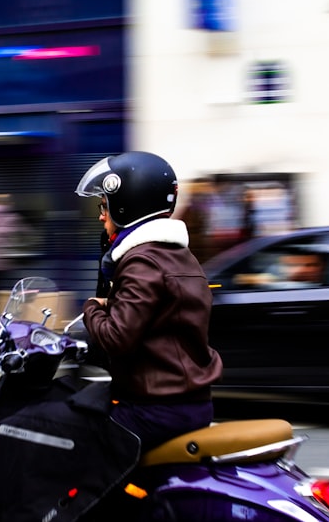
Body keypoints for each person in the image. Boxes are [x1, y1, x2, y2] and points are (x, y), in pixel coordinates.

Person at [76, 151, 224, 452]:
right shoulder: (181, 257)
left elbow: (116, 338)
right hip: (188, 403)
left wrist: (92, 307)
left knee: (68, 435)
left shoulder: (143, 262)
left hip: (155, 409)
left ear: (126, 205)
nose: (101, 215)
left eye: (105, 205)